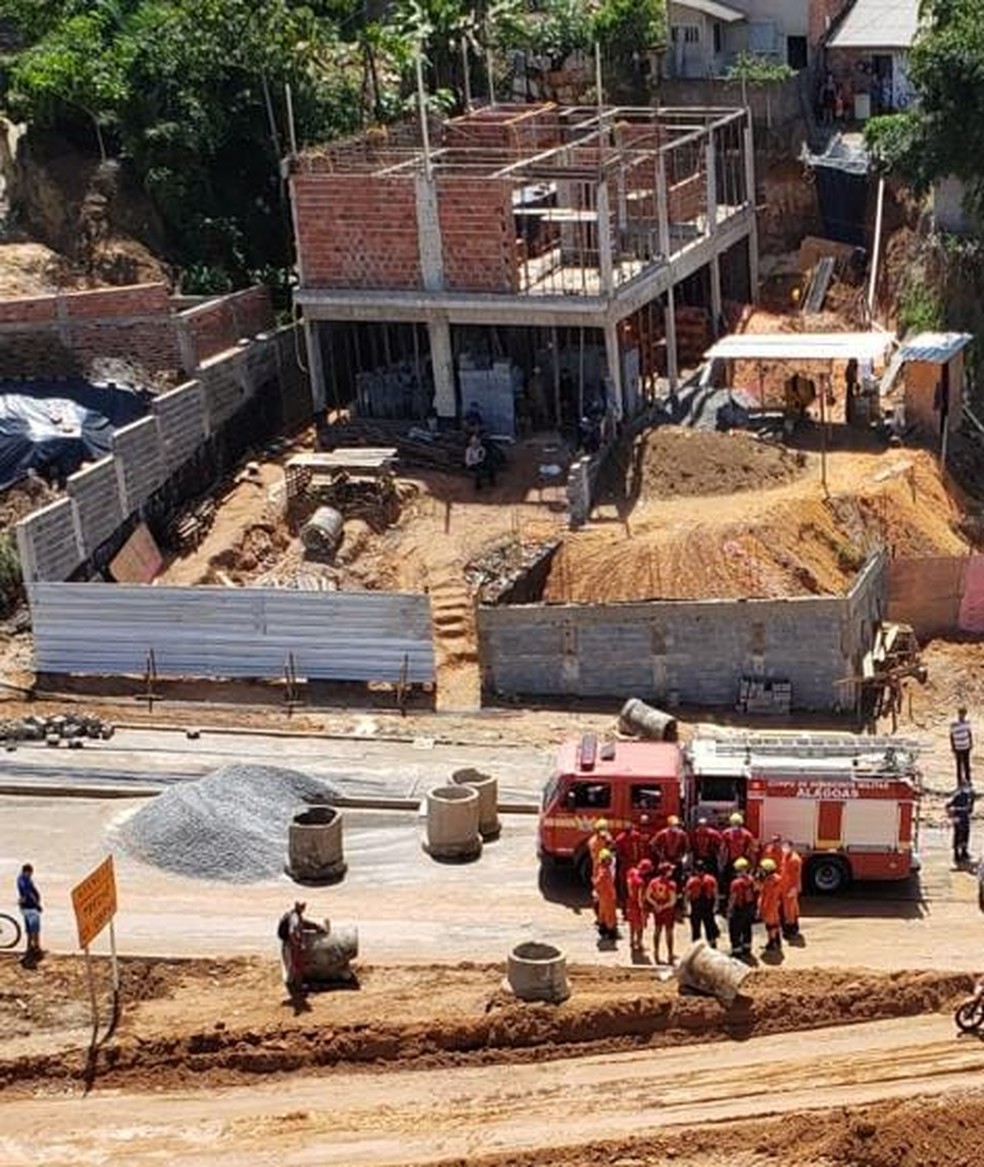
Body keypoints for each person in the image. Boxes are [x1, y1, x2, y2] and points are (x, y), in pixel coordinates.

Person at [721, 812, 757, 906]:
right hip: (731, 862)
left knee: (744, 884)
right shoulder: (726, 833)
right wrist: (722, 863)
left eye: (737, 824)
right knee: (729, 884)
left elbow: (751, 850)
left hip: (742, 863)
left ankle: (744, 903)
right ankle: (730, 903)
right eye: (734, 823)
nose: (735, 826)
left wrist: (752, 865)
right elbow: (723, 849)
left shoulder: (747, 835)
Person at [645, 862, 678, 965]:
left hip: (657, 909)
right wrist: (663, 907)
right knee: (669, 932)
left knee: (657, 930)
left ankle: (656, 953)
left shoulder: (653, 882)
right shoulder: (671, 884)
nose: (671, 872)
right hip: (667, 910)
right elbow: (673, 900)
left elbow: (648, 895)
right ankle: (670, 954)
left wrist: (656, 905)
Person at [727, 857, 757, 958]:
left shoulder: (735, 883)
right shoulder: (751, 880)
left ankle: (736, 951)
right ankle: (747, 948)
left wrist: (729, 909)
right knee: (747, 928)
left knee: (735, 930)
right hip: (749, 908)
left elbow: (733, 897)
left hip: (738, 909)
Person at [684, 862, 720, 948]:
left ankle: (696, 947)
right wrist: (716, 905)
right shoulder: (711, 879)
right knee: (710, 926)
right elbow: (715, 894)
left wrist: (686, 907)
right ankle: (712, 946)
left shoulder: (691, 881)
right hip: (708, 906)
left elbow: (687, 896)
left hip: (696, 906)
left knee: (696, 928)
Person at [614, 820, 647, 909]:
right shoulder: (627, 837)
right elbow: (641, 849)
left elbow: (619, 853)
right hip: (631, 864)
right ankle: (629, 904)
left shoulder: (622, 838)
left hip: (629, 864)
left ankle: (627, 904)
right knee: (631, 885)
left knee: (628, 885)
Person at [279, 900, 308, 995]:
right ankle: (296, 987)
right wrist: (296, 943)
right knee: (296, 965)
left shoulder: (292, 914)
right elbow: (292, 931)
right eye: (302, 906)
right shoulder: (294, 917)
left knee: (290, 965)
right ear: (298, 907)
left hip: (287, 943)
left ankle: (291, 984)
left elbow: (305, 924)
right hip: (291, 944)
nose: (304, 908)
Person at [652, 814, 688, 888]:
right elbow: (653, 844)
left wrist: (682, 857)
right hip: (665, 860)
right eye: (673, 825)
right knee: (664, 878)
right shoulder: (662, 833)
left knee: (677, 878)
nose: (675, 827)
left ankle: (677, 895)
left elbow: (687, 848)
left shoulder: (682, 834)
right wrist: (660, 855)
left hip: (677, 860)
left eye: (676, 825)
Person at [945, 781, 976, 866]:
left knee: (966, 834)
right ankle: (956, 854)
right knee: (958, 835)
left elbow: (970, 808)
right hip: (958, 818)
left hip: (965, 818)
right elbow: (948, 806)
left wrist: (968, 810)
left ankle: (964, 852)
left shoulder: (971, 796)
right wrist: (953, 813)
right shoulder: (958, 795)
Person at [757, 858, 784, 954]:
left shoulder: (768, 881)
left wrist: (761, 908)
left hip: (769, 905)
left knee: (770, 925)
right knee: (775, 923)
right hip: (775, 904)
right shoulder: (778, 878)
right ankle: (776, 941)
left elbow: (763, 893)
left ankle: (771, 943)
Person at [16, 863, 42, 962]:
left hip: (27, 906)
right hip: (30, 907)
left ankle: (31, 948)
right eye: (31, 873)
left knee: (30, 929)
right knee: (34, 929)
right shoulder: (23, 880)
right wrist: (37, 905)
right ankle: (36, 948)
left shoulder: (24, 878)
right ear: (27, 871)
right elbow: (27, 893)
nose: (31, 875)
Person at [592, 849, 619, 940]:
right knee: (610, 914)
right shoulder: (605, 872)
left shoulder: (601, 868)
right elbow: (606, 883)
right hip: (607, 895)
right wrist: (613, 894)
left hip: (603, 895)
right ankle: (611, 932)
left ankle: (603, 929)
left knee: (602, 912)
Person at [780, 841, 803, 939]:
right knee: (789, 910)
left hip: (790, 888)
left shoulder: (794, 860)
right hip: (785, 887)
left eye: (786, 847)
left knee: (790, 911)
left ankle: (791, 931)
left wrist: (794, 888)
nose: (784, 849)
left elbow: (796, 876)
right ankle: (790, 930)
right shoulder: (786, 856)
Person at [624, 863, 647, 952]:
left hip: (630, 902)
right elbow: (639, 897)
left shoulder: (631, 872)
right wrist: (642, 908)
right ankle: (639, 943)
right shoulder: (640, 882)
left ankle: (631, 940)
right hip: (637, 905)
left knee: (632, 924)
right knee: (639, 926)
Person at [950, 706, 973, 786]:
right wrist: (953, 746)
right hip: (958, 747)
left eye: (964, 714)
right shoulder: (954, 724)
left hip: (966, 746)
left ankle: (968, 780)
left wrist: (971, 743)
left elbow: (969, 733)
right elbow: (951, 735)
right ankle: (959, 782)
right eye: (961, 714)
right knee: (959, 765)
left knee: (967, 765)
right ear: (959, 714)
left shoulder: (967, 722)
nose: (962, 716)